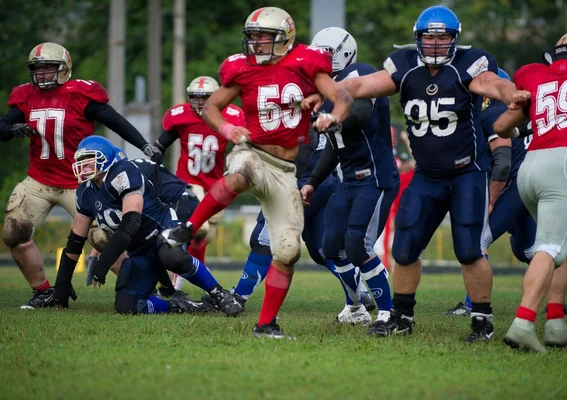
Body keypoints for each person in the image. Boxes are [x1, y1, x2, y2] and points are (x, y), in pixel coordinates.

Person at [336, 6, 527, 341]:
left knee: (468, 249)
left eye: (443, 37)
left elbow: (493, 84)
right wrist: (326, 89)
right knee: (405, 247)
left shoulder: (470, 65)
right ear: (418, 38)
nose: (436, 44)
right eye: (430, 36)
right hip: (426, 175)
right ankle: (402, 317)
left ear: (455, 39)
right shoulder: (405, 66)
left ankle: (482, 320)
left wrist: (514, 95)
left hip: (467, 171)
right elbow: (362, 84)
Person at [160, 7, 353, 338]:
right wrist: (227, 130)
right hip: (253, 152)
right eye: (252, 37)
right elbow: (210, 106)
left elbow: (343, 96)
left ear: (284, 39)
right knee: (240, 175)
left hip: (285, 170)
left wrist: (332, 116)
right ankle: (188, 228)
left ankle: (265, 324)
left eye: (264, 36)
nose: (257, 43)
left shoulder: (306, 62)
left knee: (289, 251)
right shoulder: (242, 69)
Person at [0, 42, 163, 309]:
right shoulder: (24, 96)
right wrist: (11, 129)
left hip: (82, 180)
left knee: (103, 238)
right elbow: (2, 125)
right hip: (39, 179)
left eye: (48, 68)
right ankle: (43, 292)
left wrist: (143, 143)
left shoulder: (80, 93)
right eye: (37, 69)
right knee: (13, 232)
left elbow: (115, 120)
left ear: (64, 69)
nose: (41, 74)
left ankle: (144, 289)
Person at [53, 135, 243, 317]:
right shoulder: (85, 191)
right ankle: (178, 304)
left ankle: (220, 294)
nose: (83, 166)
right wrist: (62, 284)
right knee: (127, 306)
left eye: (89, 160)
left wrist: (104, 263)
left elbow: (131, 223)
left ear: (106, 160)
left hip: (163, 229)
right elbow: (75, 240)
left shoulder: (123, 172)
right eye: (81, 161)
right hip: (140, 249)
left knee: (171, 255)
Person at [493, 30, 567, 352]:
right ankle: (523, 324)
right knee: (550, 247)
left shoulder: (535, 75)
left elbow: (500, 127)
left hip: (530, 168)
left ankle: (555, 324)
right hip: (563, 166)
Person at [301, 27, 399, 333]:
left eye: (324, 54)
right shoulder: (328, 90)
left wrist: (335, 117)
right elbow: (333, 146)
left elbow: (360, 113)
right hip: (348, 180)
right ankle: (356, 307)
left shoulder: (361, 74)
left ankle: (387, 312)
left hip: (375, 178)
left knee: (358, 245)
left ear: (342, 52)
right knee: (330, 247)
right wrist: (313, 181)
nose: (318, 61)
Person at [230, 126, 375, 317]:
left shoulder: (295, 113)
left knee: (263, 240)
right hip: (324, 183)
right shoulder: (324, 109)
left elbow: (296, 150)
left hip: (300, 184)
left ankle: (238, 297)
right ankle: (360, 294)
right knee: (324, 250)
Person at [444, 69, 536, 316]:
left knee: (478, 240)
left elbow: (503, 161)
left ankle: (473, 303)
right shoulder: (495, 112)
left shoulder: (492, 110)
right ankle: (557, 299)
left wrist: (492, 200)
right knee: (528, 249)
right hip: (523, 183)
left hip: (514, 185)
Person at [155, 76, 245, 290]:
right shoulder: (181, 116)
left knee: (205, 236)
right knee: (199, 229)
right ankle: (179, 279)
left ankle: (195, 270)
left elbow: (244, 143)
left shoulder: (231, 116)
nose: (199, 102)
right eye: (195, 97)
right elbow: (161, 145)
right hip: (188, 181)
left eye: (205, 97)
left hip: (216, 183)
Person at [382, 152, 415, 269]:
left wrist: (406, 141)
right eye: (403, 162)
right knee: (389, 237)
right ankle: (387, 261)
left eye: (406, 162)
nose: (405, 164)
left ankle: (406, 259)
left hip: (408, 210)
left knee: (406, 236)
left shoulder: (413, 174)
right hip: (394, 211)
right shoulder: (396, 176)